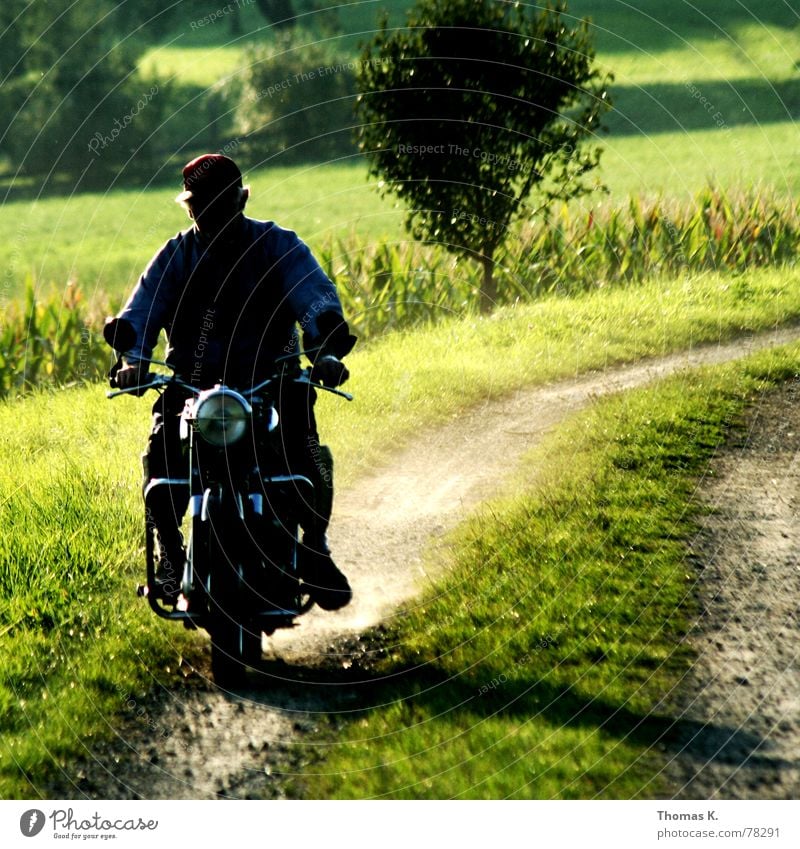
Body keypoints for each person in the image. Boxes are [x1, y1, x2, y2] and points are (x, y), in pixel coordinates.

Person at [114, 153, 355, 611]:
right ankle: (170, 554)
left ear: (241, 200)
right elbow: (139, 314)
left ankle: (315, 547)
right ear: (189, 208)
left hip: (272, 381)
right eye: (202, 204)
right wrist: (133, 360)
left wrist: (324, 347)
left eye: (221, 201)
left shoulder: (277, 246)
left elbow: (314, 296)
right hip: (191, 391)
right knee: (161, 461)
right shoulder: (175, 256)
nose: (211, 213)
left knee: (305, 453)